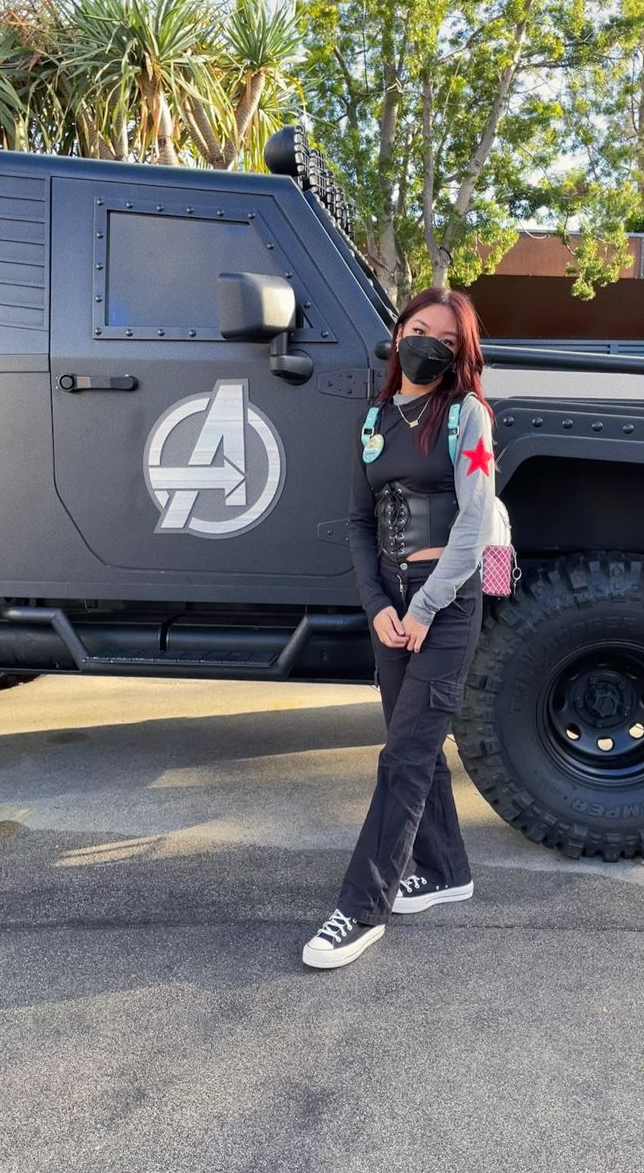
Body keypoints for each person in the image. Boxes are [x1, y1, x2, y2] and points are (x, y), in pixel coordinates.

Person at [302, 287, 496, 970]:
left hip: (446, 604)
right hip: (391, 603)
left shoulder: (465, 415)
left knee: (404, 756)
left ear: (459, 354)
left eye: (445, 339)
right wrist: (378, 604)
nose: (428, 343)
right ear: (398, 334)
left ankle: (361, 907)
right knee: (410, 743)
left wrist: (423, 607)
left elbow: (473, 523)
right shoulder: (374, 420)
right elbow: (358, 522)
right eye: (419, 328)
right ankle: (447, 871)